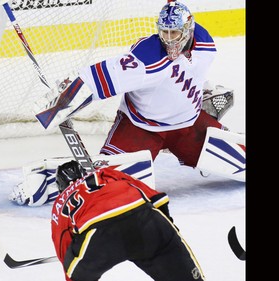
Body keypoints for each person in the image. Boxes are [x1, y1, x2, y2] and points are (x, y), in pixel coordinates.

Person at [35, 0, 245, 181]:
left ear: (189, 30)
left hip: (188, 126)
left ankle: (205, 100)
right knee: (109, 182)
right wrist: (63, 100)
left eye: (175, 33)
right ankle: (50, 177)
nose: (169, 39)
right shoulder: (147, 59)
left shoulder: (205, 44)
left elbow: (191, 70)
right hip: (141, 128)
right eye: (165, 32)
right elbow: (98, 79)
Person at [51, 160, 205, 281]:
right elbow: (158, 199)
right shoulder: (104, 173)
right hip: (146, 219)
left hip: (101, 234)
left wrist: (73, 266)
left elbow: (62, 242)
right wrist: (168, 233)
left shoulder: (61, 201)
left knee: (75, 274)